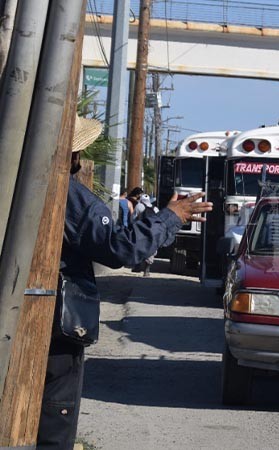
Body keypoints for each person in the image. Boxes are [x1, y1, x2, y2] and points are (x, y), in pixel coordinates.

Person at [36, 116, 213, 450]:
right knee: (52, 423)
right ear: (72, 156)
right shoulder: (69, 195)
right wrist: (171, 217)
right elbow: (121, 248)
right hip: (51, 328)